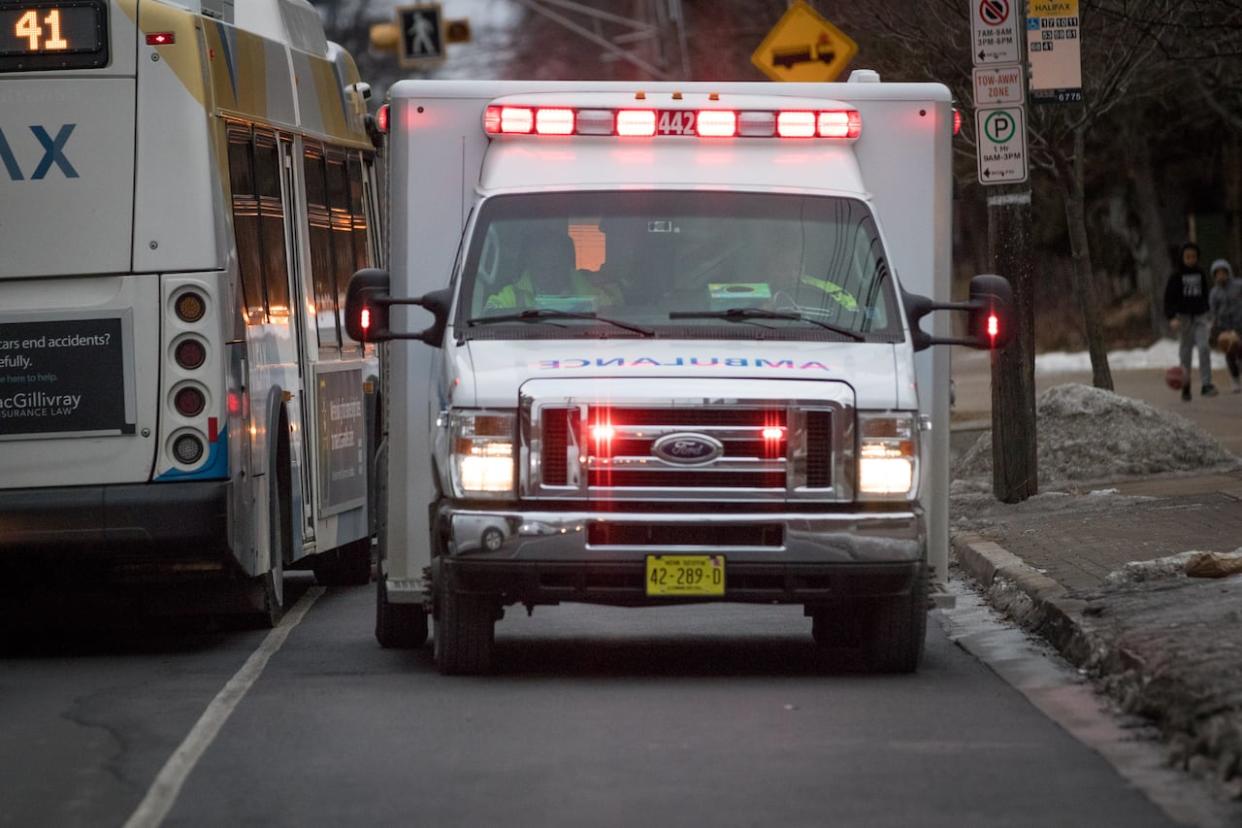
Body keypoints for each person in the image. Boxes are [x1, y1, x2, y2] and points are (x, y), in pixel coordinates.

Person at [484, 228, 620, 311]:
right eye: (541, 260)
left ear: (568, 262)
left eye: (555, 260)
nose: (548, 267)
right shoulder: (512, 295)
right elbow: (489, 317)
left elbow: (616, 319)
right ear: (530, 262)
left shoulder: (595, 295)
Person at [1164, 242, 1217, 400]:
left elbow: (1205, 295)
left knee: (1203, 348)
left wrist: (1209, 313)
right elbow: (1168, 299)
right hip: (1184, 318)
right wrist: (1172, 317)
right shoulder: (1176, 276)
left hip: (1200, 316)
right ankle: (1185, 386)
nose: (1191, 259)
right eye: (1187, 257)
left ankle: (1206, 384)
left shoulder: (1200, 274)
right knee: (1185, 354)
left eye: (1193, 257)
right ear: (1182, 258)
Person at [1209, 258, 1242, 393]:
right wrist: (1213, 328)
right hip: (1225, 327)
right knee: (1229, 353)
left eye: (1224, 272)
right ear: (1214, 275)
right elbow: (1213, 312)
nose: (1221, 275)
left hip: (1240, 324)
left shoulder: (1239, 285)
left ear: (1228, 272)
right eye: (1218, 273)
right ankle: (1235, 379)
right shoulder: (1214, 293)